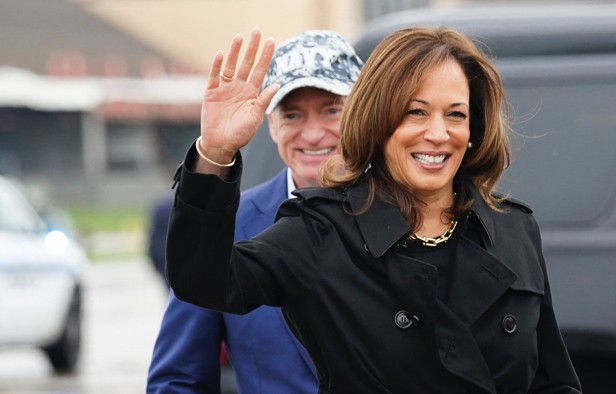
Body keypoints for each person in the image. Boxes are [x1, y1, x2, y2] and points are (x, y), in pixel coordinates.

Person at [166, 26, 582, 393]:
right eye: (416, 112)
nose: (438, 134)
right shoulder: (322, 230)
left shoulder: (513, 228)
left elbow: (553, 381)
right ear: (378, 121)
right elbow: (203, 283)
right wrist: (215, 153)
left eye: (456, 115)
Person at [147, 29, 362, 393]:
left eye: (331, 110)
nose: (312, 135)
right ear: (272, 125)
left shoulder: (408, 213)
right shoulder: (229, 226)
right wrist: (213, 150)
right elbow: (178, 379)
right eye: (292, 115)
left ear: (363, 115)